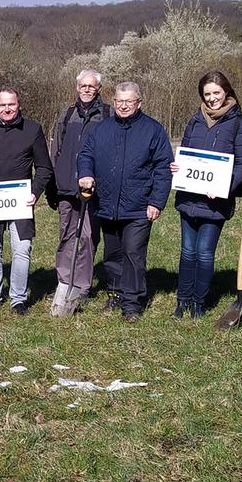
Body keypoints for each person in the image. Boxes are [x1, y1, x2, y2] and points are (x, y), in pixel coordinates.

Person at [77, 82, 173, 322]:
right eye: (119, 101)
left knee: (133, 253)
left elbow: (163, 169)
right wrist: (85, 173)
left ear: (139, 102)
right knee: (113, 253)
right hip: (107, 204)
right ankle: (115, 294)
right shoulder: (102, 128)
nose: (122, 105)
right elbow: (86, 154)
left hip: (139, 206)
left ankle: (132, 303)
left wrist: (157, 202)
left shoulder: (153, 130)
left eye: (128, 101)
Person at [169, 72, 242, 319]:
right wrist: (177, 167)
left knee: (204, 252)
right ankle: (181, 301)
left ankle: (198, 303)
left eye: (216, 93)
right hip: (189, 199)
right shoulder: (194, 121)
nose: (212, 98)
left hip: (216, 201)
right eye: (207, 94)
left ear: (226, 92)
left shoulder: (239, 123)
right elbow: (185, 154)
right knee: (187, 251)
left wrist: (223, 187)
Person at [0, 87, 53, 316]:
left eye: (11, 104)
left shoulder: (33, 130)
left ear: (18, 105)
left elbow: (44, 168)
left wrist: (35, 192)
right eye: (2, 105)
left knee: (22, 250)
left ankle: (18, 298)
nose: (7, 109)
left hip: (20, 203)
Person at [47, 69, 112, 314]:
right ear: (77, 88)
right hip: (65, 187)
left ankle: (82, 286)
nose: (86, 89)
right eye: (83, 86)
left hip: (92, 189)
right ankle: (64, 281)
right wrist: (53, 185)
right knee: (66, 234)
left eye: (91, 86)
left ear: (98, 89)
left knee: (87, 236)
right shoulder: (67, 115)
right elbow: (57, 151)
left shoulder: (107, 114)